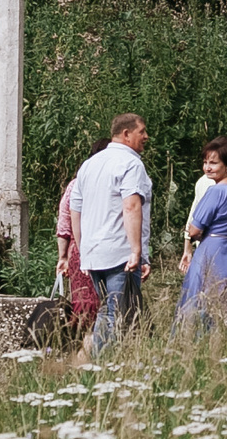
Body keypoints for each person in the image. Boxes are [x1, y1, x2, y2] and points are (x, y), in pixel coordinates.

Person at [70, 114, 153, 356]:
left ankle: (99, 364)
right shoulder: (131, 163)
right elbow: (131, 206)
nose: (146, 137)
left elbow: (76, 208)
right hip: (120, 253)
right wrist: (137, 251)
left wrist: (83, 247)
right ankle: (96, 366)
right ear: (126, 134)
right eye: (142, 132)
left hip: (95, 254)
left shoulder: (90, 164)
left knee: (108, 310)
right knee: (118, 315)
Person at [177, 136, 227, 327]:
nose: (207, 167)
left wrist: (197, 234)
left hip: (213, 251)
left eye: (213, 163)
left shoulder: (215, 191)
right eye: (205, 162)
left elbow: (194, 229)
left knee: (202, 302)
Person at [54, 137, 107, 337]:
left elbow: (64, 224)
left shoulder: (75, 184)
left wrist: (63, 257)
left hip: (79, 250)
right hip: (107, 247)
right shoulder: (115, 185)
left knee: (83, 302)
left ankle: (82, 344)